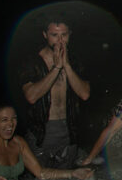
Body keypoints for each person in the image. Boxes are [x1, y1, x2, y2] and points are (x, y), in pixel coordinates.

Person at [19, 17, 91, 168]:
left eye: (64, 35)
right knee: (41, 179)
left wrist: (67, 66)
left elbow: (84, 94)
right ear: (45, 34)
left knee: (68, 178)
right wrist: (57, 68)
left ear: (70, 34)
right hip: (42, 130)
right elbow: (31, 97)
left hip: (69, 128)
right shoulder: (32, 61)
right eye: (54, 35)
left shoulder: (75, 60)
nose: (60, 41)